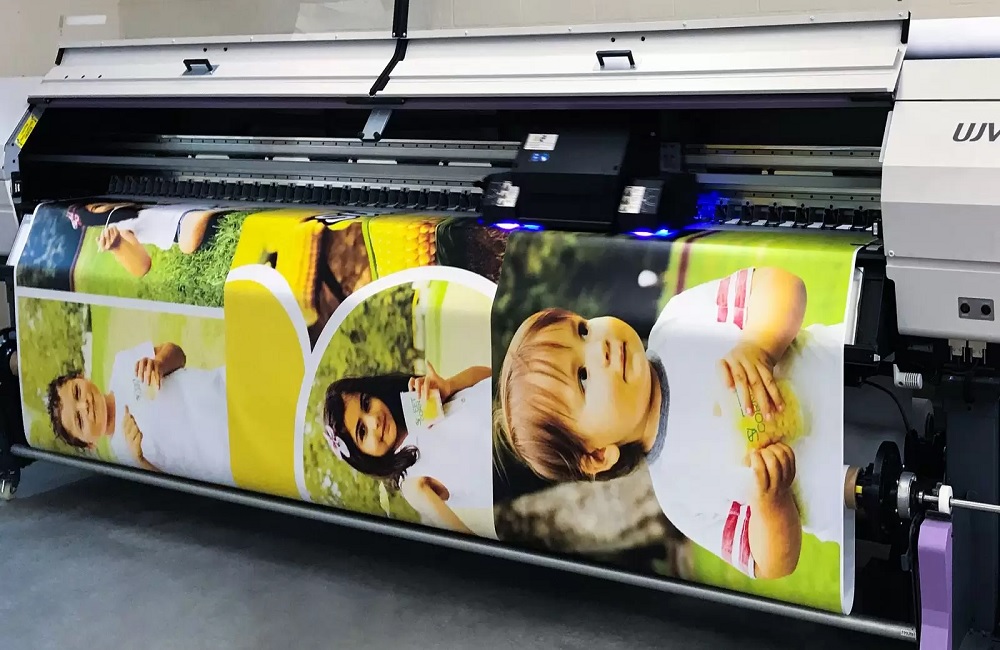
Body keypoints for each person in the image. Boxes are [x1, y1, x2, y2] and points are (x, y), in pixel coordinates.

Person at [496, 267, 847, 580]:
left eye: (583, 330)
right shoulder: (680, 496)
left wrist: (759, 346)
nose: (599, 348)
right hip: (849, 484)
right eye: (583, 377)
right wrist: (772, 502)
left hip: (850, 369)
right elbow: (771, 563)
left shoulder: (680, 321)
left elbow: (782, 286)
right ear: (598, 455)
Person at [322, 363, 493, 536]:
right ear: (362, 456)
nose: (374, 420)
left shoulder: (421, 400)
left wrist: (449, 386)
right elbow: (461, 537)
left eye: (366, 404)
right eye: (362, 431)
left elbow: (488, 376)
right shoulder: (412, 481)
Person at [45, 340, 232, 486]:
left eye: (77, 392)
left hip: (224, 387)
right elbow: (174, 492)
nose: (84, 406)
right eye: (79, 420)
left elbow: (178, 354)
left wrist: (159, 363)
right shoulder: (123, 461)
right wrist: (141, 460)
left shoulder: (123, 364)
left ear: (82, 378)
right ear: (90, 445)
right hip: (224, 454)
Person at [96, 205, 227, 278]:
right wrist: (118, 245)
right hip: (182, 224)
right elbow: (142, 267)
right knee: (187, 244)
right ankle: (210, 209)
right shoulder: (118, 222)